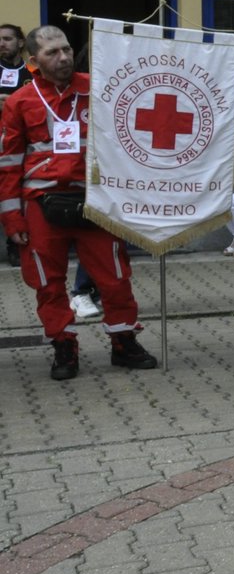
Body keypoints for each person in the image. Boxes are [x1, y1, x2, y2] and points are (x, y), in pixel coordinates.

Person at [0, 26, 158, 379]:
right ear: (33, 62)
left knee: (115, 277)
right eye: (52, 53)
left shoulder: (99, 88)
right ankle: (63, 345)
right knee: (47, 282)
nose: (63, 57)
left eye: (67, 50)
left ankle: (124, 341)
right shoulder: (19, 102)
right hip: (42, 204)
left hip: (95, 201)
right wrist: (12, 220)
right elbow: (8, 164)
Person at [0, 22, 30, 266]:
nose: (2, 43)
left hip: (19, 143)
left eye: (8, 39)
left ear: (20, 43)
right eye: (0, 39)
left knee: (15, 192)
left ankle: (15, 244)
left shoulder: (32, 72)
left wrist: (13, 103)